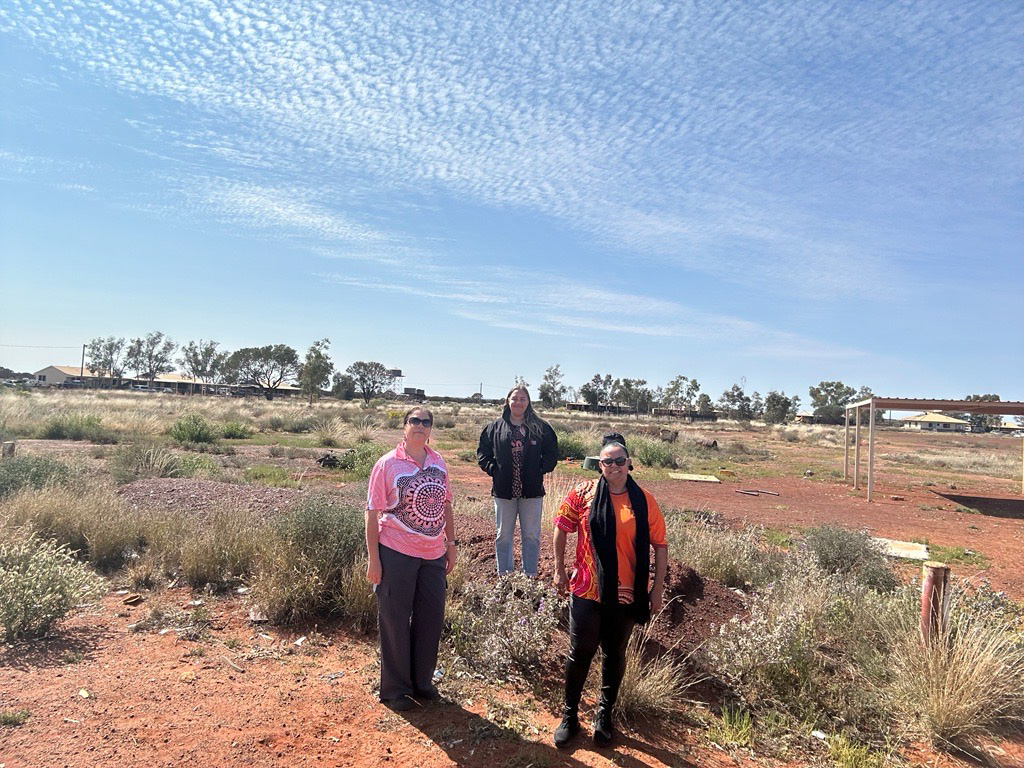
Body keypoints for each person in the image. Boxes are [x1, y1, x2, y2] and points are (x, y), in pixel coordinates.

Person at [552, 433, 668, 748]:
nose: (614, 466)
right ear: (599, 464)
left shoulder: (643, 500)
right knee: (580, 654)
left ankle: (605, 715)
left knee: (614, 654)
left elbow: (660, 545)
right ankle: (570, 715)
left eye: (620, 461)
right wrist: (559, 570)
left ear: (629, 464)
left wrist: (657, 588)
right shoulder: (582, 493)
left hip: (628, 593)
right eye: (607, 461)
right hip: (588, 589)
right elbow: (561, 528)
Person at [366, 407, 457, 712]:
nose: (420, 426)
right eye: (414, 421)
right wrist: (374, 560)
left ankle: (422, 682)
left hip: (432, 554)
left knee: (430, 619)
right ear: (404, 427)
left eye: (426, 421)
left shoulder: (438, 462)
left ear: (431, 429)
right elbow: (372, 512)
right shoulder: (387, 464)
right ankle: (396, 689)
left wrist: (451, 543)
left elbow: (445, 504)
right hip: (395, 551)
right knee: (394, 619)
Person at [477, 385, 559, 577]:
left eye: (523, 399)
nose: (518, 402)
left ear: (528, 402)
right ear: (508, 401)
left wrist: (540, 469)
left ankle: (529, 575)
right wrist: (493, 470)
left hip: (531, 491)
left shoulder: (541, 427)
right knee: (503, 535)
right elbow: (483, 453)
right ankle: (504, 575)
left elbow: (552, 454)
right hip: (503, 490)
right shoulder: (494, 427)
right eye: (514, 399)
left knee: (531, 535)